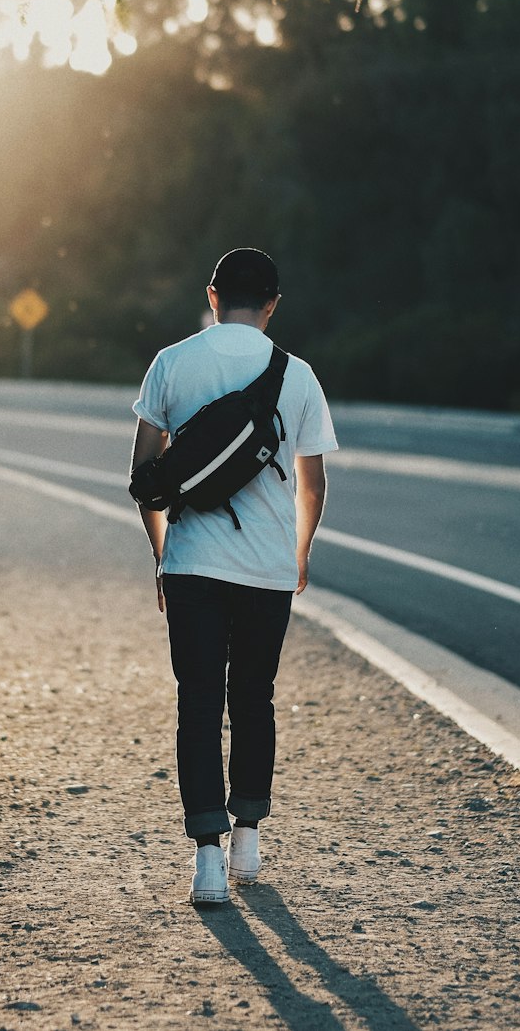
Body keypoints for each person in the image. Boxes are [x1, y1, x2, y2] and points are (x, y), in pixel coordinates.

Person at [131, 247, 337, 905]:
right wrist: (298, 555)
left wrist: (164, 557)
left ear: (212, 295)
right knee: (254, 699)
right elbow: (314, 483)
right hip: (267, 571)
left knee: (199, 704)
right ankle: (248, 838)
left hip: (192, 563)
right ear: (272, 304)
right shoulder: (298, 377)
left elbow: (145, 480)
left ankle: (206, 861)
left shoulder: (171, 362)